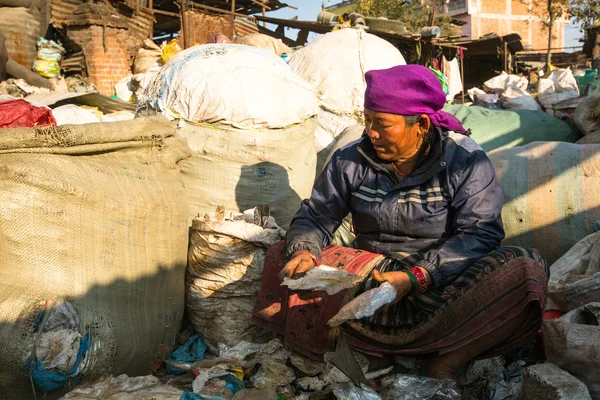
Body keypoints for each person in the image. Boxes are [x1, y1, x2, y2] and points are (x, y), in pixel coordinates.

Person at [252, 64, 548, 379]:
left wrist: (418, 276)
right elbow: (318, 213)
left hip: (438, 281)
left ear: (420, 124)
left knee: (526, 268)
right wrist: (304, 250)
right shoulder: (349, 160)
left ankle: (445, 362)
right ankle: (368, 354)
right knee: (279, 254)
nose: (371, 133)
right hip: (372, 280)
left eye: (382, 124)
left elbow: (479, 234)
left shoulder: (464, 160)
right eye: (367, 120)